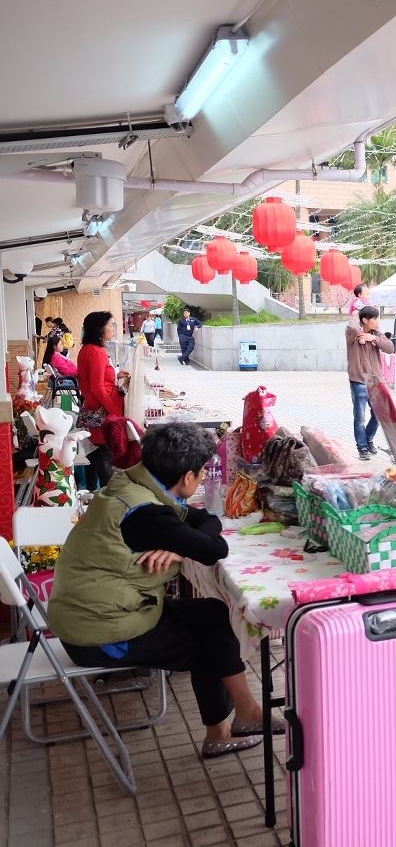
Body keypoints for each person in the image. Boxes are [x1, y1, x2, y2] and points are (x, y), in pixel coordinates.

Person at [48, 422, 280, 760]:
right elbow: (215, 549)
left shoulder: (131, 482)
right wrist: (187, 544)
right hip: (99, 632)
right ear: (187, 477)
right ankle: (227, 727)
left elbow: (204, 519)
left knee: (214, 616)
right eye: (202, 474)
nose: (202, 480)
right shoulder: (148, 515)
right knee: (209, 642)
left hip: (100, 608)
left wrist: (180, 546)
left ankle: (241, 716)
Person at [79, 312, 127, 490]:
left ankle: (92, 491)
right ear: (100, 329)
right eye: (110, 325)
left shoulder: (87, 349)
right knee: (105, 454)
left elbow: (96, 379)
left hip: (94, 407)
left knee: (95, 453)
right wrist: (114, 410)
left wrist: (115, 375)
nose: (113, 329)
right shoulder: (96, 352)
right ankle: (108, 494)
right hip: (102, 411)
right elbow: (98, 387)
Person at [345, 305, 394, 461]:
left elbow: (390, 348)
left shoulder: (377, 334)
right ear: (365, 320)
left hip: (375, 381)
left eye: (378, 318)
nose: (378, 321)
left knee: (378, 415)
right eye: (374, 319)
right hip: (358, 380)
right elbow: (352, 325)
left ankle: (368, 438)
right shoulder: (353, 334)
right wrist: (356, 314)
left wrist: (374, 338)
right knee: (359, 417)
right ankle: (362, 447)